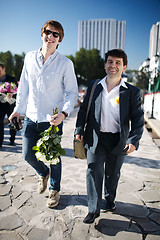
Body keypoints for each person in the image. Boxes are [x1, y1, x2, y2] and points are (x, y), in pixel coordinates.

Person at [9, 20, 78, 208]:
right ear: (42, 34)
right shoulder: (29, 57)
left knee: (54, 158)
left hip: (53, 120)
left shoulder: (65, 63)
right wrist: (17, 110)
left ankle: (54, 190)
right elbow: (23, 86)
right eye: (48, 32)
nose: (51, 37)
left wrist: (64, 114)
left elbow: (72, 92)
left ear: (59, 40)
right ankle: (43, 173)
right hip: (31, 117)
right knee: (27, 155)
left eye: (56, 35)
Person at [74, 49, 144, 224]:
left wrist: (133, 140)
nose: (113, 66)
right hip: (95, 138)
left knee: (113, 174)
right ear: (105, 64)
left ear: (124, 67)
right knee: (92, 170)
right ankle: (93, 209)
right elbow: (84, 110)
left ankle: (110, 199)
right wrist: (78, 129)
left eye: (118, 62)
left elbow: (138, 120)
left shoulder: (132, 92)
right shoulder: (94, 85)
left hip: (118, 141)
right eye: (110, 62)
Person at [0, 63, 17, 147]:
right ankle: (0, 142)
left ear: (3, 69)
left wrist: (12, 94)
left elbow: (17, 90)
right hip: (0, 105)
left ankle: (12, 139)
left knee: (12, 122)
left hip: (10, 105)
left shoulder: (12, 79)